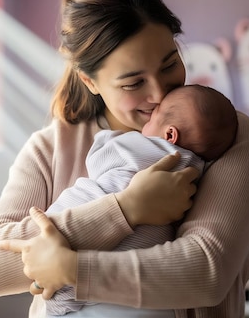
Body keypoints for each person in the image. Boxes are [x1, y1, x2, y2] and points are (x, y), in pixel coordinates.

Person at [0, 0, 249, 318]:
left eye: (170, 63)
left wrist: (73, 270)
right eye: (133, 83)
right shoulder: (51, 147)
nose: (159, 94)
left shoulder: (227, 135)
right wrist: (126, 210)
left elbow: (206, 271)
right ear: (90, 81)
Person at [44, 84, 238, 316]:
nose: (155, 97)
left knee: (57, 294)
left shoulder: (141, 148)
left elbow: (100, 159)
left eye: (153, 119)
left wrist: (109, 138)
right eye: (133, 82)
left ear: (169, 135)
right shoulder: (196, 171)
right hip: (147, 273)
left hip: (98, 255)